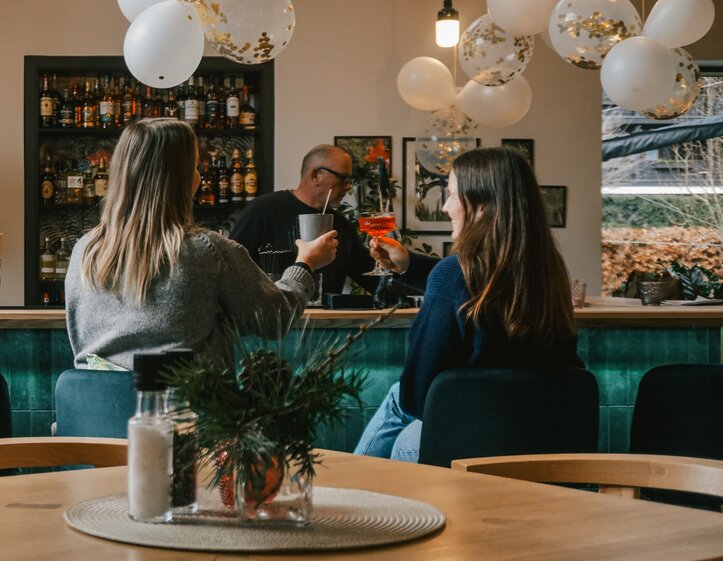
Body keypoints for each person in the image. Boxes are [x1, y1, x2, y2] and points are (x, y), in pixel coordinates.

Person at [353, 147, 583, 462]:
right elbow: (477, 285)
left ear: (481, 204)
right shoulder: (547, 270)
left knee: (399, 398)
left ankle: (350, 492)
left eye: (451, 195)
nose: (446, 207)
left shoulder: (454, 274)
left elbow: (418, 394)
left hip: (471, 441)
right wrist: (409, 264)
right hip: (541, 438)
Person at [65, 119, 338, 370]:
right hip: (187, 418)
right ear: (183, 180)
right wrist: (306, 263)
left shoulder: (84, 251)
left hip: (95, 416)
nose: (199, 176)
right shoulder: (207, 251)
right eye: (195, 166)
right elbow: (276, 319)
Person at [230, 144, 435, 296]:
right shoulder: (264, 210)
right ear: (316, 176)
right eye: (343, 178)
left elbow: (371, 277)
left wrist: (425, 291)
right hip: (267, 328)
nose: (348, 187)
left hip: (325, 332)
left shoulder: (341, 226)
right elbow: (230, 267)